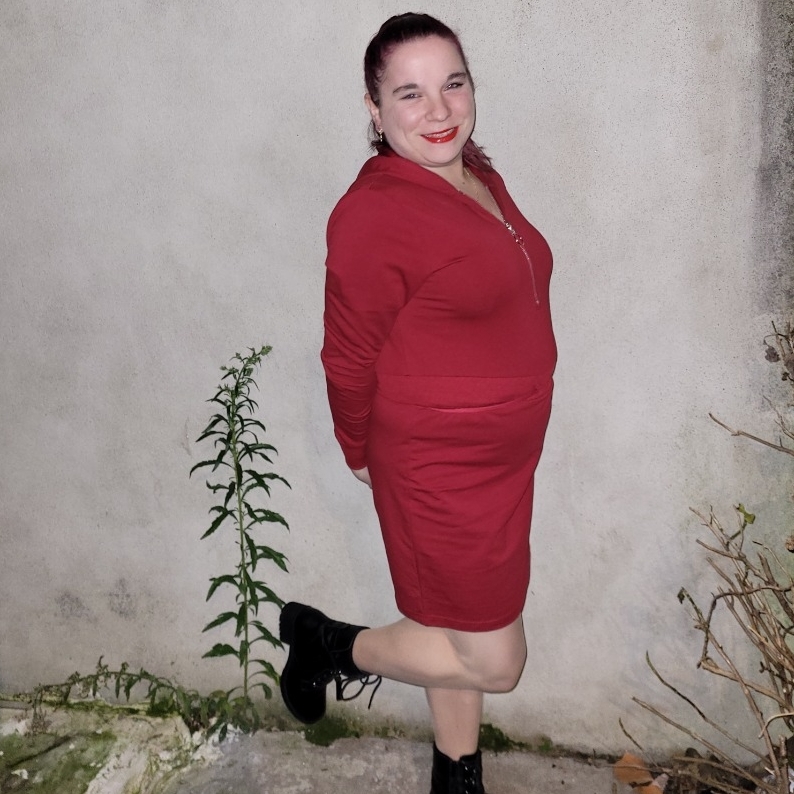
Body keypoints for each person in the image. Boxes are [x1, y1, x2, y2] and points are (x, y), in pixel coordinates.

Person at [279, 12, 556, 794]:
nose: (439, 110)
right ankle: (328, 644)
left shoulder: (474, 174)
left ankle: (456, 773)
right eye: (410, 93)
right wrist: (357, 451)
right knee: (496, 661)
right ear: (374, 109)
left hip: (501, 464)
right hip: (438, 466)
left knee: (453, 629)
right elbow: (347, 355)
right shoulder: (375, 212)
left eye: (453, 84)